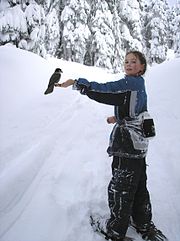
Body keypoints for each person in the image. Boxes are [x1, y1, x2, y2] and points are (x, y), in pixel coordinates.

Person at [55, 51, 168, 241]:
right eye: (126, 61)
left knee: (121, 187)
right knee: (139, 185)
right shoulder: (139, 84)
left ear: (142, 67)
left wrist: (76, 83)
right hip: (139, 146)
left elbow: (105, 90)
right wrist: (117, 117)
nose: (128, 64)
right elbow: (136, 108)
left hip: (127, 144)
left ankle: (115, 230)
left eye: (133, 61)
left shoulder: (129, 84)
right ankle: (142, 222)